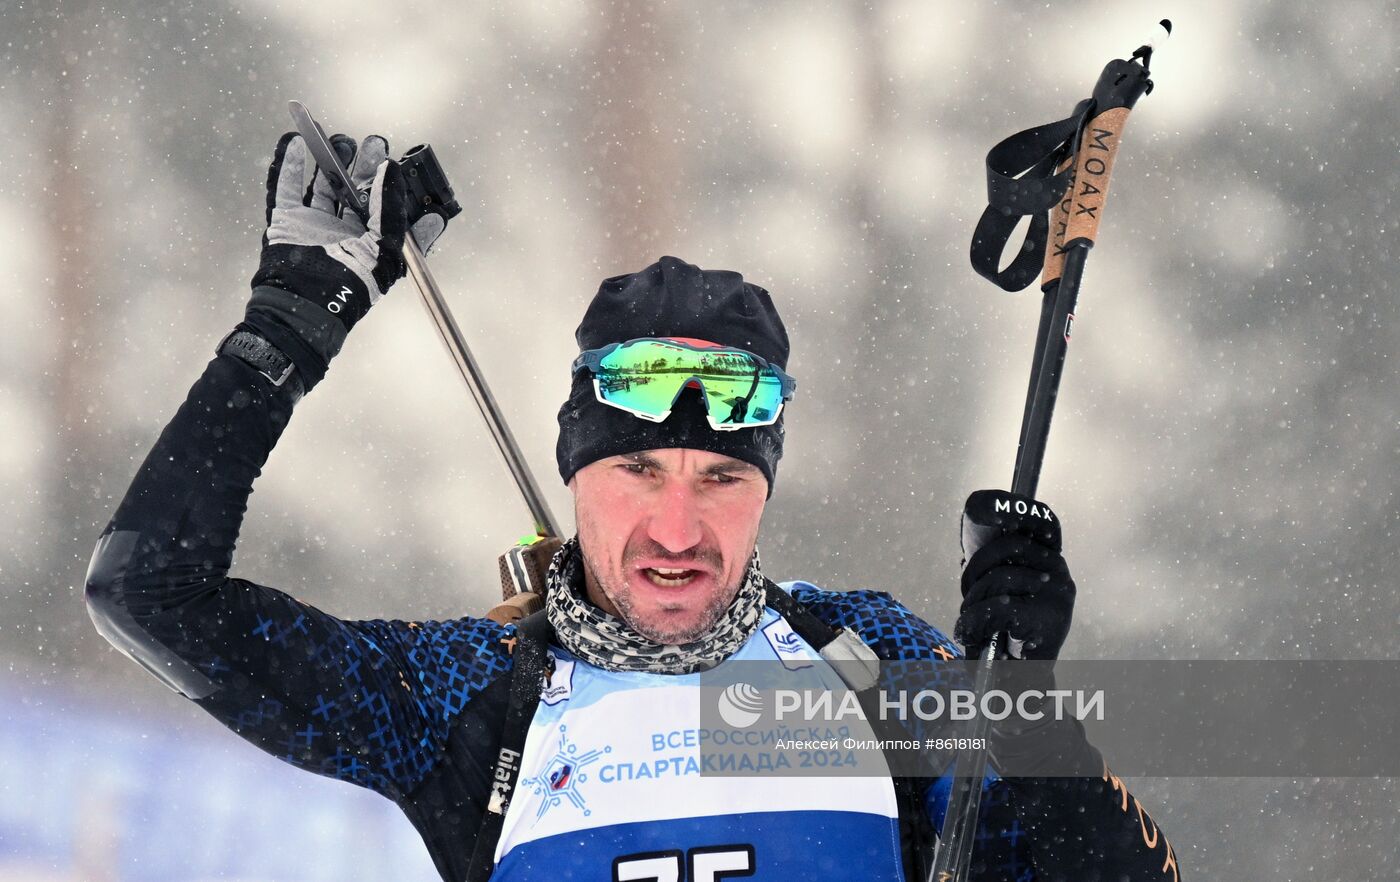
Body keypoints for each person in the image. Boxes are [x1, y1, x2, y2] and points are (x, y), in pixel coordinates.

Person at [86, 131, 1180, 882]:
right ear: (572, 473)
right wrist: (291, 320)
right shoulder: (469, 699)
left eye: (721, 479)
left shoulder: (862, 660)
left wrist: (1023, 703)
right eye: (636, 473)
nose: (675, 530)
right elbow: (150, 593)